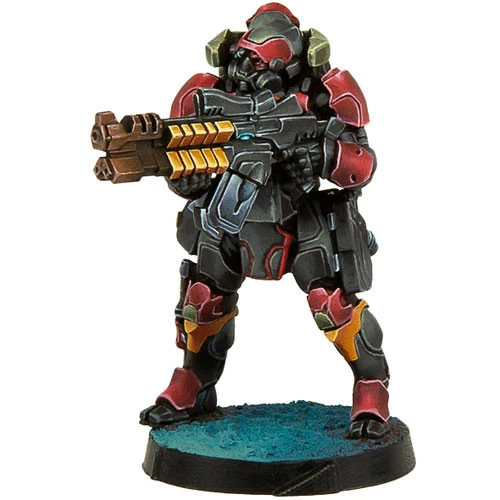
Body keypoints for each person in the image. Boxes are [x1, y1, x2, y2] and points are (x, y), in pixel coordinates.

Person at [140, 3, 390, 439]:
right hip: (232, 217)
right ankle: (194, 382)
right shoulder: (209, 94)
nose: (250, 72)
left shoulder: (328, 93)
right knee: (202, 299)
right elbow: (180, 164)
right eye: (247, 60)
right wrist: (188, 176)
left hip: (299, 216)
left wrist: (321, 155)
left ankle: (372, 386)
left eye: (264, 64)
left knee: (331, 304)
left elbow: (363, 163)